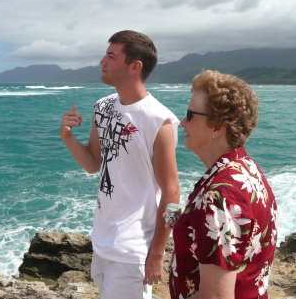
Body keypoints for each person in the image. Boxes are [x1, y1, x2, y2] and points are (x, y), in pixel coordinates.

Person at [60, 30, 180, 299]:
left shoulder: (158, 120)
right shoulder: (102, 107)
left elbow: (171, 193)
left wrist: (158, 254)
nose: (102, 61)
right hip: (103, 239)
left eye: (111, 56)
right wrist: (67, 137)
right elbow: (93, 164)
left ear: (134, 66)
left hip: (133, 247)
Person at [169, 70, 278, 299]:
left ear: (217, 127)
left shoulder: (219, 196)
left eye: (189, 115)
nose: (182, 122)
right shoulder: (247, 170)